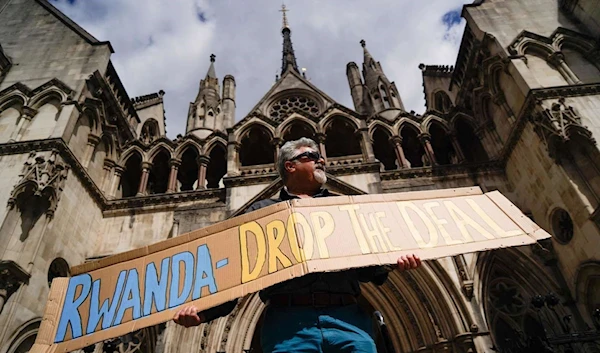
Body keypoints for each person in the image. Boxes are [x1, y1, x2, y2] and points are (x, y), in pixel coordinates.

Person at [173, 138, 422, 353]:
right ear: (290, 166)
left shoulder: (345, 207)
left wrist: (394, 261)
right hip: (288, 323)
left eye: (320, 156)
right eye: (311, 156)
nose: (321, 160)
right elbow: (235, 271)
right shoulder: (261, 213)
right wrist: (203, 313)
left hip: (347, 318)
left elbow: (367, 268)